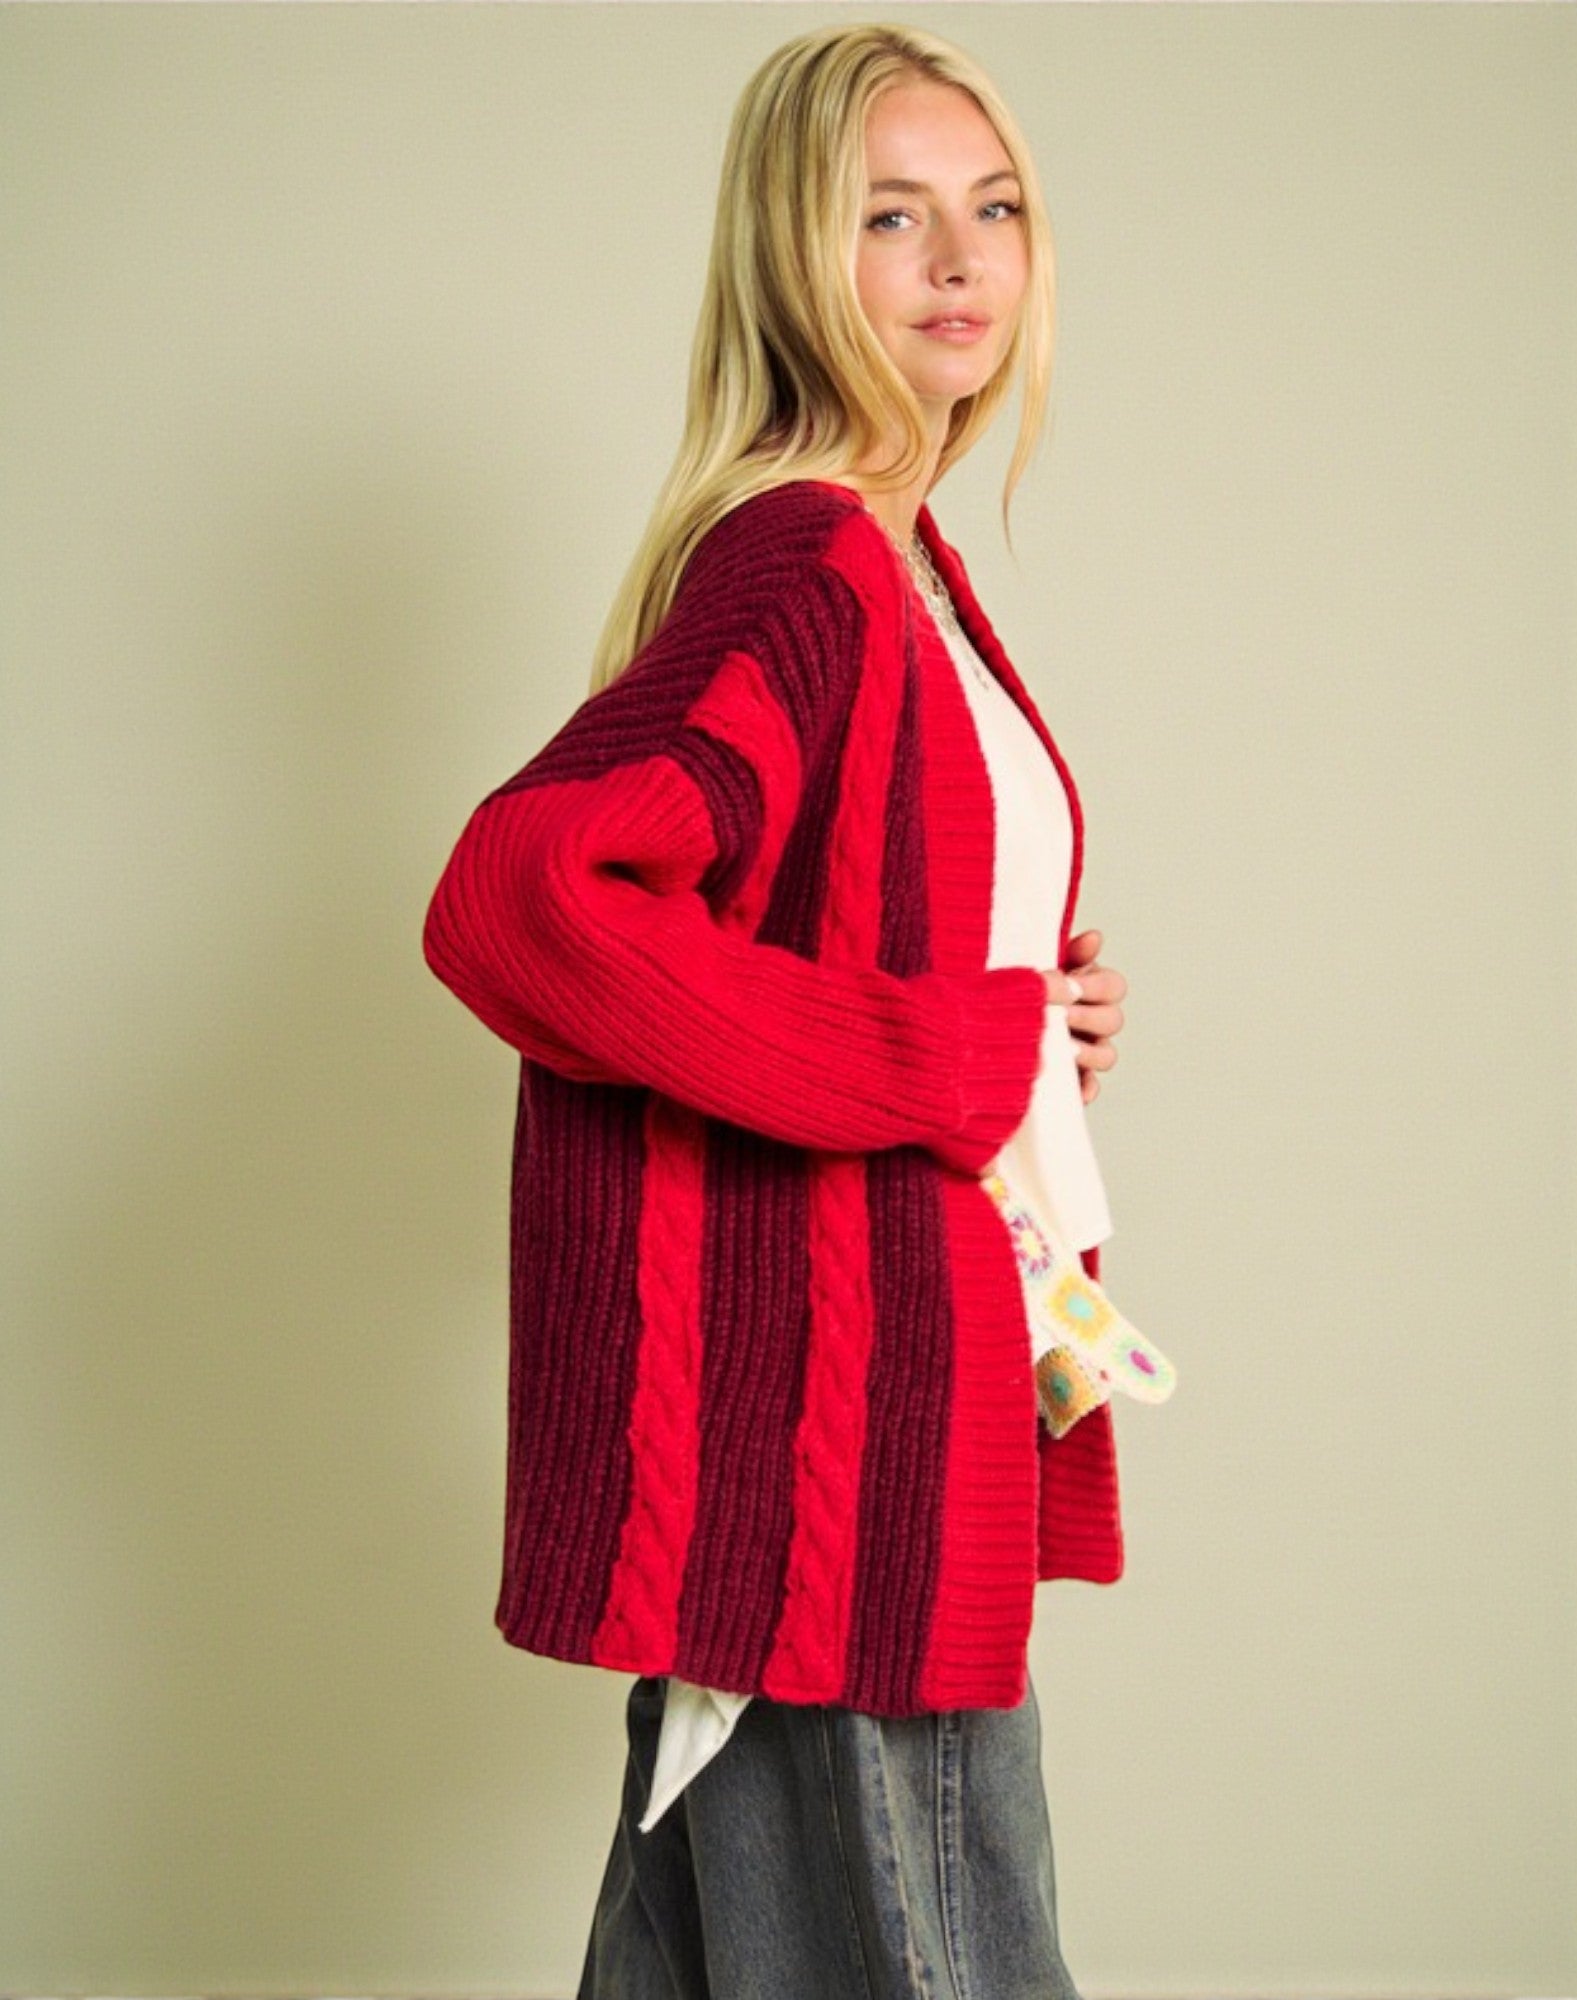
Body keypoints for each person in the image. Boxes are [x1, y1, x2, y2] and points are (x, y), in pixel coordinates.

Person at [424, 23, 1167, 1997]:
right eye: (890, 216)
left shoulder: (902, 561)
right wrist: (936, 1051)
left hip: (857, 1441)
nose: (957, 258)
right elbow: (523, 897)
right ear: (790, 260)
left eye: (990, 209)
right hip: (843, 1463)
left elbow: (833, 921)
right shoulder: (813, 555)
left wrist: (1026, 1025)